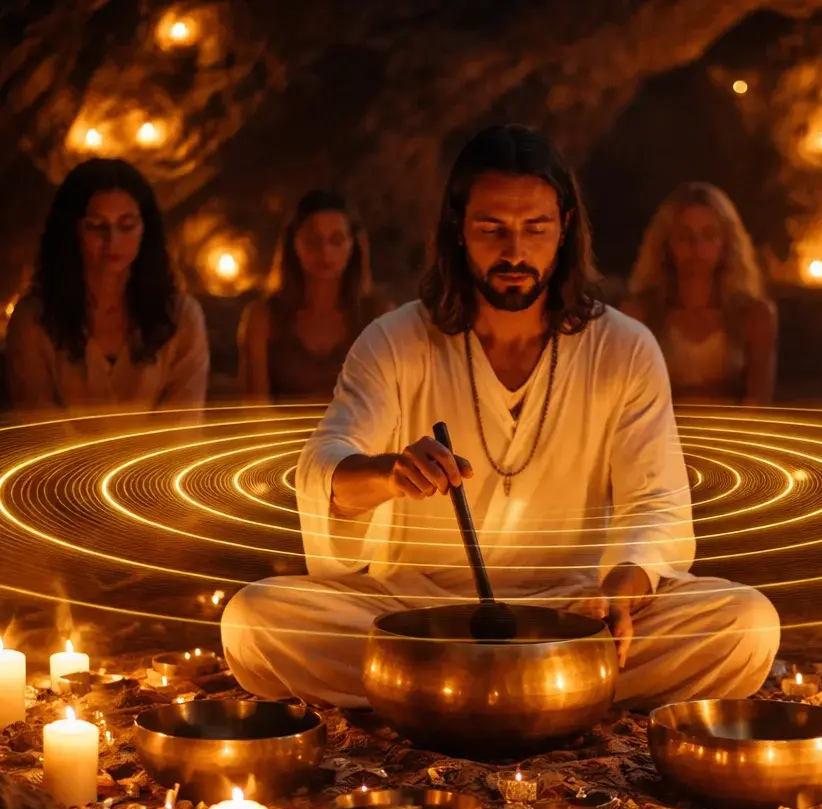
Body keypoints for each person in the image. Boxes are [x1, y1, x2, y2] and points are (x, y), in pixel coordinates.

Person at [220, 125, 780, 711]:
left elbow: (658, 502)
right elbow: (326, 463)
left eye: (535, 228)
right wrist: (389, 473)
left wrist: (626, 585)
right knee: (255, 619)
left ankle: (437, 691)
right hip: (417, 614)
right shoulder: (396, 341)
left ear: (564, 228)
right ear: (457, 230)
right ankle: (549, 693)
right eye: (492, 229)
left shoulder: (623, 347)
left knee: (746, 623)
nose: (514, 251)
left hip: (575, 612)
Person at [5, 158, 208, 413]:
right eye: (97, 226)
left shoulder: (181, 317)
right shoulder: (33, 319)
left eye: (126, 225)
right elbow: (39, 425)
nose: (112, 241)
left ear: (145, 230)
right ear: (72, 231)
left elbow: (182, 428)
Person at [622, 182, 776, 404]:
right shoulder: (639, 314)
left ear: (727, 243)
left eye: (709, 235)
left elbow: (758, 405)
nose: (697, 247)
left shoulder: (755, 316)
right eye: (685, 236)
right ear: (667, 243)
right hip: (660, 436)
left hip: (730, 436)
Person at [237, 190, 391, 402]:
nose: (325, 252)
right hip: (282, 435)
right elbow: (255, 413)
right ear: (294, 244)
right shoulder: (263, 318)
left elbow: (389, 405)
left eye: (336, 240)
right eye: (313, 240)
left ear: (353, 245)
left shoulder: (378, 316)